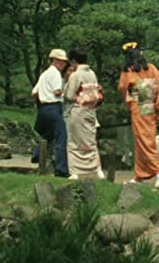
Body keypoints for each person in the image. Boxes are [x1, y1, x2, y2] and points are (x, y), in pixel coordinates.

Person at [117, 42, 159, 187]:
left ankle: (158, 173)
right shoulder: (151, 68)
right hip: (151, 105)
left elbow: (122, 87)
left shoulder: (128, 71)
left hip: (138, 106)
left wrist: (130, 99)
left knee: (144, 141)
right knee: (142, 140)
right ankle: (140, 175)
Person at [63, 48, 105, 180]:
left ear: (74, 61)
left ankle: (75, 171)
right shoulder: (92, 73)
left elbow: (69, 95)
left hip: (79, 108)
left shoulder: (75, 75)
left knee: (74, 141)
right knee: (91, 140)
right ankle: (97, 169)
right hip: (91, 109)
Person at [30, 48, 70, 177]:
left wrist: (44, 94)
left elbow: (34, 92)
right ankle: (61, 169)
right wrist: (65, 93)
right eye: (62, 62)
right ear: (55, 61)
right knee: (61, 136)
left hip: (43, 107)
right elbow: (57, 91)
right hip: (54, 105)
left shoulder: (44, 74)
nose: (63, 64)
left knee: (48, 134)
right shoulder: (55, 74)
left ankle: (37, 154)